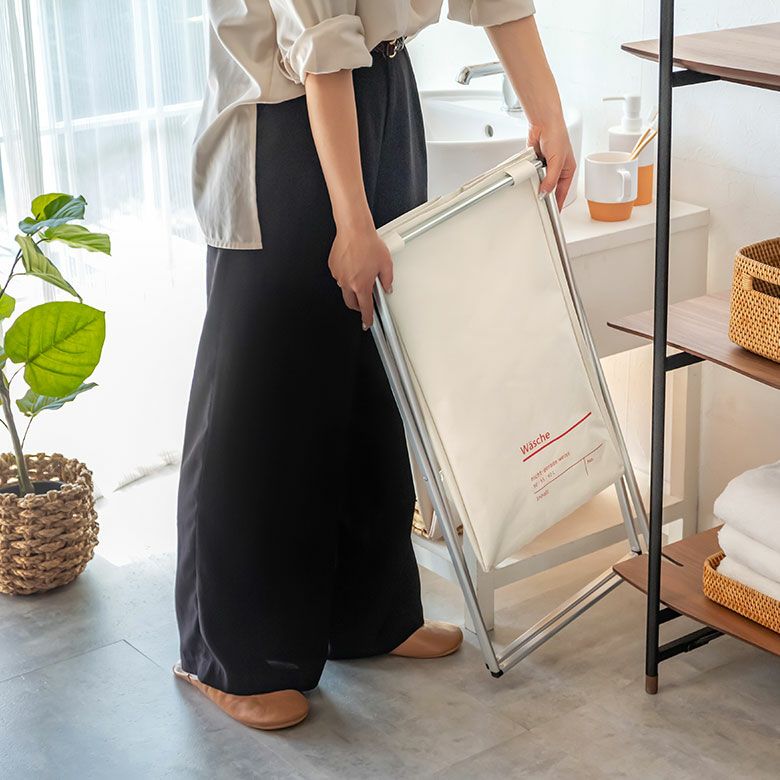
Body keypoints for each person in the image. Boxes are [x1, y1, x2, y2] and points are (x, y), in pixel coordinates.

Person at [175, 0, 576, 731]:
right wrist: (352, 223)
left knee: (371, 366)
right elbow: (321, 40)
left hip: (384, 86)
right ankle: (229, 655)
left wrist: (547, 110)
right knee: (265, 391)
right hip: (286, 111)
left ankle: (369, 613)